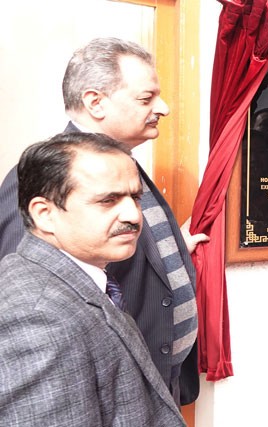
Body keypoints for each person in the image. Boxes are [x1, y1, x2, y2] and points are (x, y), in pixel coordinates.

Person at [0, 37, 205, 405]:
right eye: (146, 98)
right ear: (95, 102)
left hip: (155, 384)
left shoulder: (122, 163)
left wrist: (172, 246)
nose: (164, 107)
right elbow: (29, 295)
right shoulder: (41, 177)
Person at [0, 132, 185, 426]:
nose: (134, 216)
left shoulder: (76, 276)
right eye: (108, 200)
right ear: (45, 214)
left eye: (134, 197)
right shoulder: (38, 320)